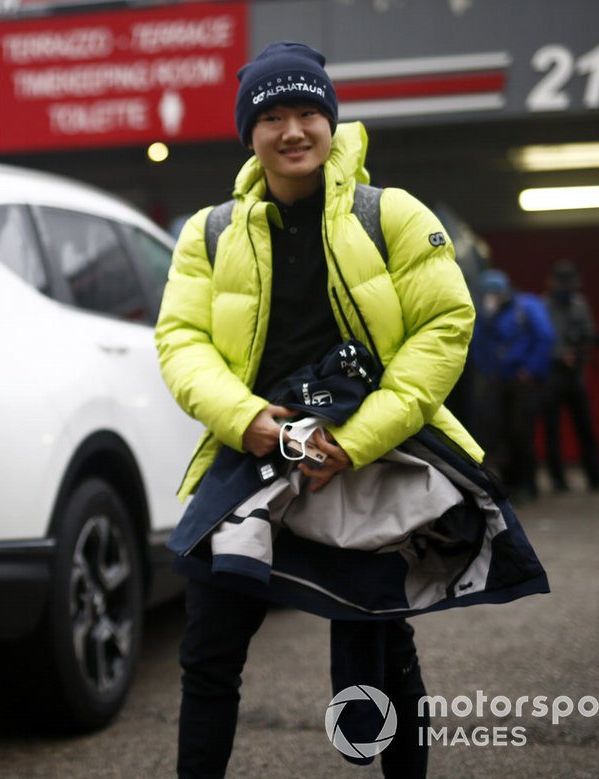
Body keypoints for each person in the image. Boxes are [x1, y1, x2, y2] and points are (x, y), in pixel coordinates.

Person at [154, 41, 482, 778]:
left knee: (386, 646)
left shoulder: (389, 213)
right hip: (251, 456)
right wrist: (248, 421)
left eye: (308, 111)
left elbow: (445, 326)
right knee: (207, 653)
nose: (293, 129)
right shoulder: (208, 233)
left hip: (359, 457)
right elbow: (181, 341)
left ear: (331, 121)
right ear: (250, 132)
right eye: (273, 115)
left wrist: (356, 440)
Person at [472, 269, 555, 502]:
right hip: (499, 381)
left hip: (523, 381)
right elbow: (478, 344)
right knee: (498, 433)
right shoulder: (488, 314)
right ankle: (508, 484)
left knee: (521, 432)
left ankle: (528, 484)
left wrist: (530, 369)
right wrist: (486, 318)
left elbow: (545, 337)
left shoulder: (527, 307)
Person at [542, 260, 599, 491]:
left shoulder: (579, 304)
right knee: (552, 431)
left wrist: (583, 347)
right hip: (552, 375)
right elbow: (541, 338)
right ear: (553, 282)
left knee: (586, 428)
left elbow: (589, 333)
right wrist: (561, 354)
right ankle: (558, 480)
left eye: (569, 281)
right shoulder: (544, 306)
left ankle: (595, 478)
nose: (565, 286)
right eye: (561, 281)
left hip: (576, 376)